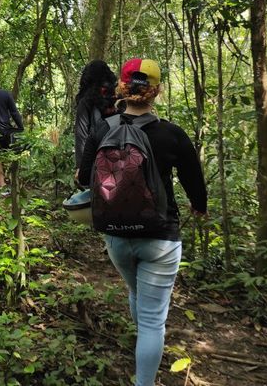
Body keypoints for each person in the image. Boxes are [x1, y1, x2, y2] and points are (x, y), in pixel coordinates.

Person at [79, 58, 208, 386]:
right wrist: (199, 207)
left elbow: (83, 177)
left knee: (136, 290)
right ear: (157, 90)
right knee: (153, 321)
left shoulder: (102, 128)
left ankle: (141, 344)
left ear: (121, 88)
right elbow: (195, 182)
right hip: (161, 238)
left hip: (117, 237)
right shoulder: (172, 134)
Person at [74, 59, 117, 184]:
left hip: (96, 157)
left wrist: (80, 167)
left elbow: (81, 134)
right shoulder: (118, 98)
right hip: (121, 155)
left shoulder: (86, 101)